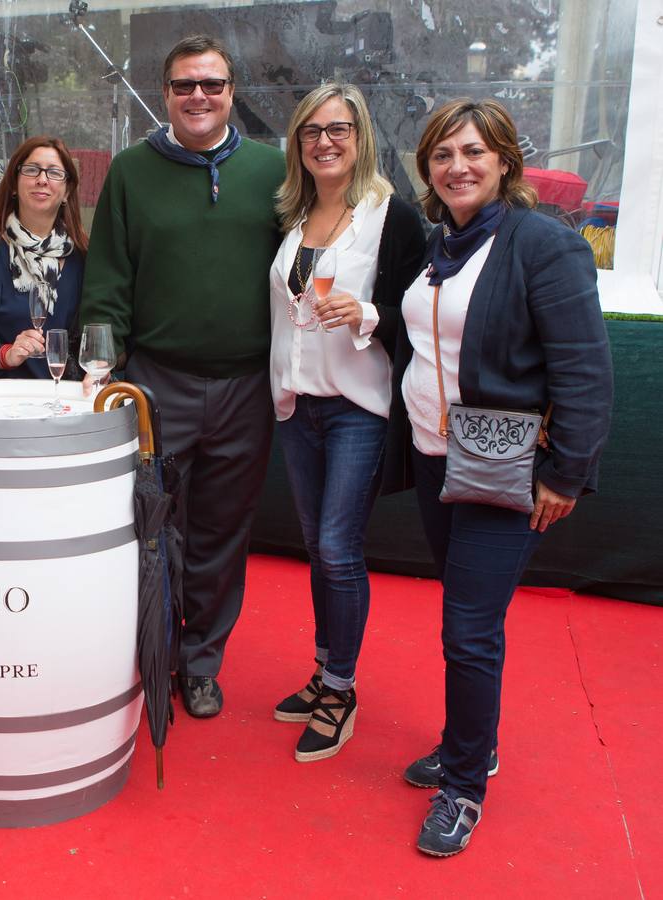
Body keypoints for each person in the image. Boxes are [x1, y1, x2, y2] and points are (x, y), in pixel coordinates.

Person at [386, 99, 612, 856]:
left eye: (475, 152)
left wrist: (565, 476)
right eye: (444, 154)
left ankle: (463, 786)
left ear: (506, 161)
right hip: (432, 457)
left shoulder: (544, 247)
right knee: (468, 617)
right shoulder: (438, 244)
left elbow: (584, 372)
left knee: (468, 628)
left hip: (505, 467)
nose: (459, 166)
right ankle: (471, 744)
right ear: (428, 168)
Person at [80, 34, 285, 718]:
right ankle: (155, 654)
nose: (199, 96)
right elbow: (107, 278)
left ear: (232, 92)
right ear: (165, 94)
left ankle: (202, 663)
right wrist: (101, 369)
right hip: (157, 385)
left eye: (213, 84)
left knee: (223, 535)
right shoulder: (132, 172)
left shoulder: (274, 172)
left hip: (246, 389)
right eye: (184, 85)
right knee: (154, 528)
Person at [267, 84, 426, 761]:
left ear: (360, 138)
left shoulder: (393, 218)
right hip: (297, 405)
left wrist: (367, 313)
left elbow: (417, 311)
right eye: (311, 132)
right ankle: (327, 666)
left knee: (338, 549)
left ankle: (340, 687)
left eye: (338, 130)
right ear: (297, 144)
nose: (324, 142)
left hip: (359, 406)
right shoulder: (292, 215)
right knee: (316, 545)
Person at [0, 136, 87, 377]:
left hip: (68, 403)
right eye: (32, 170)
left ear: (67, 191)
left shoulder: (83, 258)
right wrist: (7, 355)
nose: (42, 180)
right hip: (5, 403)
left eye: (54, 173)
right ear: (14, 185)